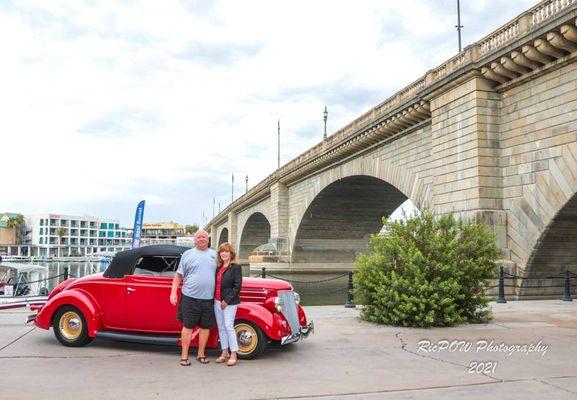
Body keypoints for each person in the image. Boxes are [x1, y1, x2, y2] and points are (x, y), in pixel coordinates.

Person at [170, 230, 217, 366]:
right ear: (194, 240)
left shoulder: (215, 255)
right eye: (198, 237)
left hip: (208, 299)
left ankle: (201, 354)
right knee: (188, 326)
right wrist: (173, 293)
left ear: (208, 240)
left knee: (205, 327)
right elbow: (178, 275)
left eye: (204, 237)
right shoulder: (187, 254)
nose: (201, 239)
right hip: (190, 297)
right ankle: (184, 356)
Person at [213, 242, 243, 366]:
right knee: (221, 327)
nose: (224, 253)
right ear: (219, 254)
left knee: (229, 326)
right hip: (217, 301)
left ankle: (234, 353)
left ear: (231, 254)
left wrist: (227, 300)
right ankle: (224, 352)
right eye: (222, 251)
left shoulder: (235, 267)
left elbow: (237, 286)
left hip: (229, 303)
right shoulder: (218, 267)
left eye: (227, 251)